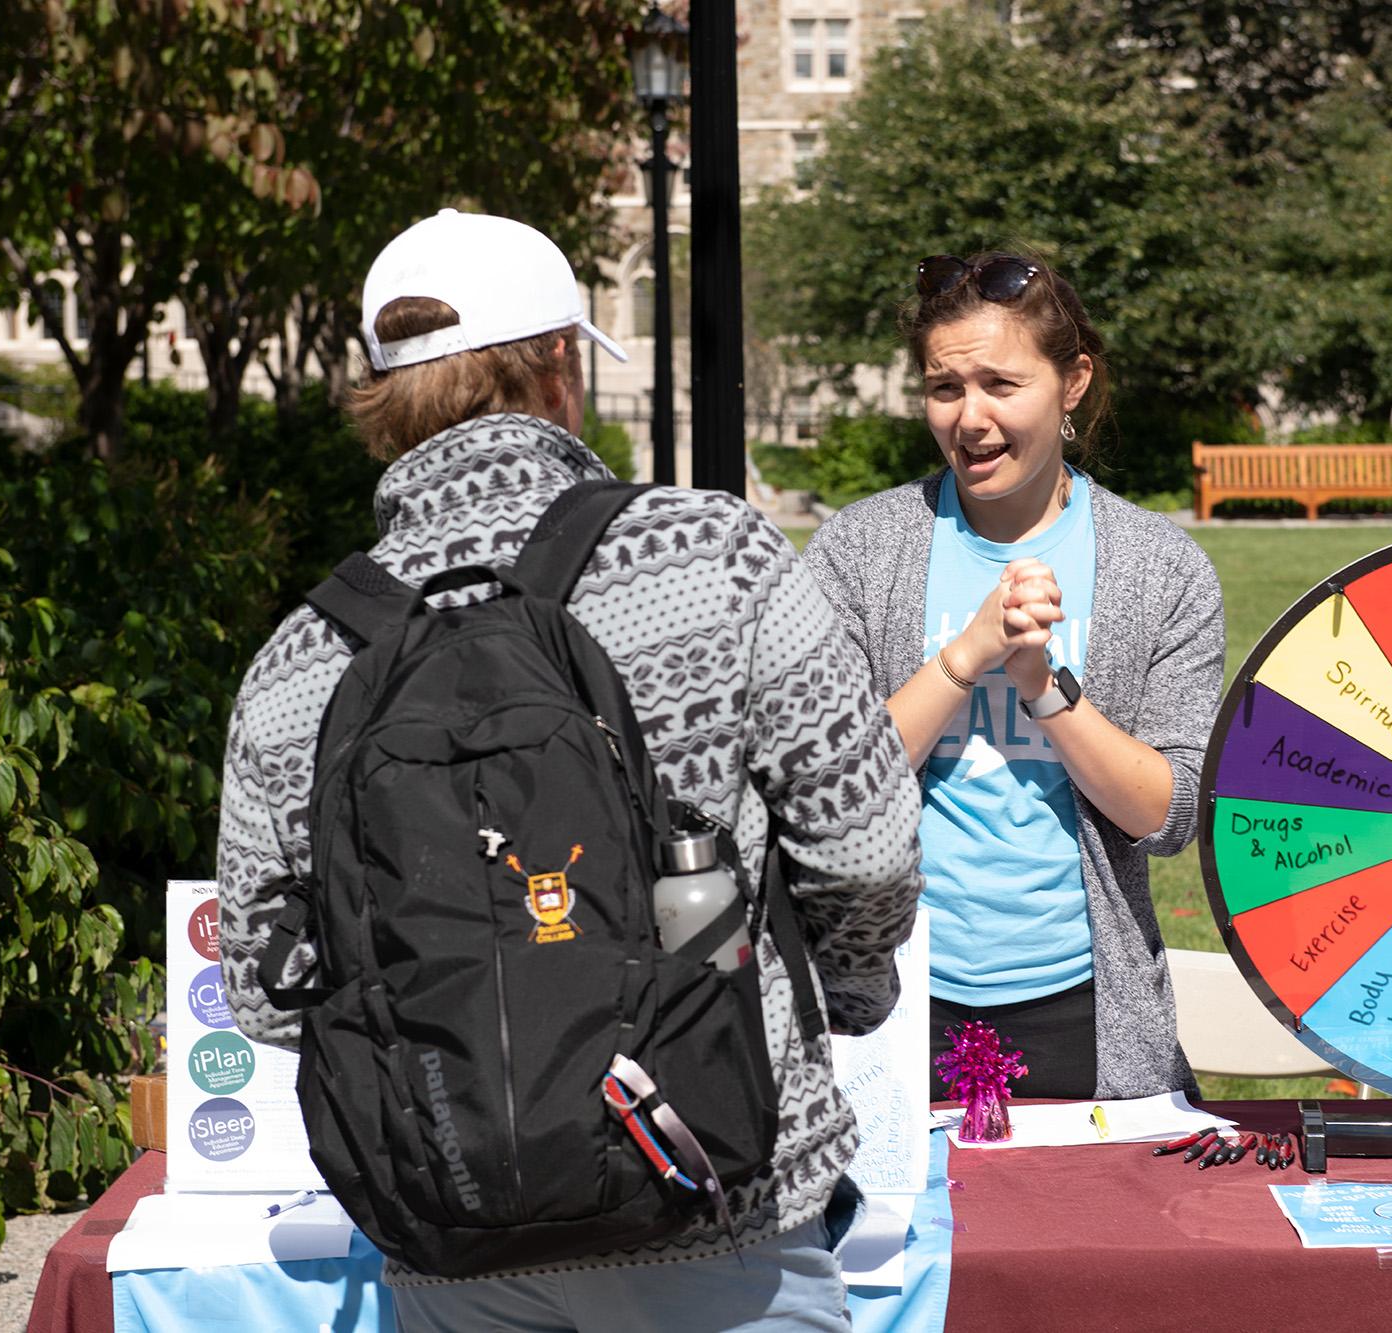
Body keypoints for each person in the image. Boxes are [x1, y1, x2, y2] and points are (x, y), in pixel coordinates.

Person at [214, 208, 922, 1330]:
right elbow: (866, 850)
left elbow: (262, 986)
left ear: (383, 395)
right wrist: (806, 1007)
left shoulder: (302, 655)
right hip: (715, 1188)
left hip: (451, 1233)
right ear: (555, 363)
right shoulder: (714, 553)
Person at [803, 252, 1223, 1100]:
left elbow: (1171, 812)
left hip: (1084, 1009)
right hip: (892, 1002)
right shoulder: (860, 549)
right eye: (945, 387)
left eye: (1001, 383)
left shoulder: (1161, 568)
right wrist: (966, 656)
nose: (971, 418)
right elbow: (827, 785)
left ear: (1072, 382)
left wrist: (1042, 683)